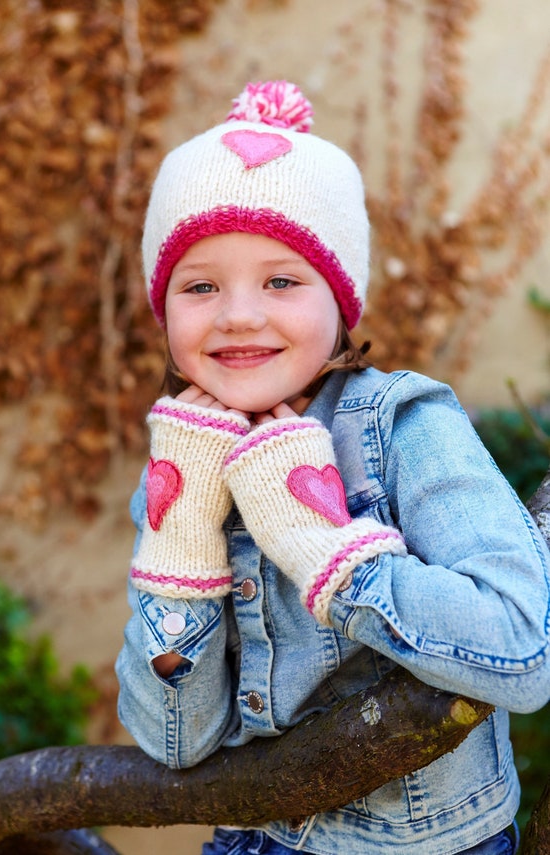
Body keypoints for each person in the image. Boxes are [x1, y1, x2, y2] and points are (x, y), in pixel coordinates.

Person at [116, 80, 550, 854]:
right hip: (253, 838)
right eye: (200, 284)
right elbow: (176, 740)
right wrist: (180, 541)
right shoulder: (183, 464)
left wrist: (330, 557)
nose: (239, 312)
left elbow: (523, 650)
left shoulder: (403, 427)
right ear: (166, 309)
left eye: (282, 280)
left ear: (339, 300)